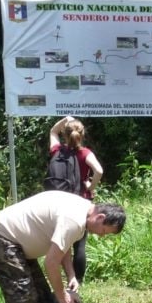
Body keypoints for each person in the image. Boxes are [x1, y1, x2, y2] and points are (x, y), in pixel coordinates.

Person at [48, 116, 104, 283]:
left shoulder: (57, 150)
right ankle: (77, 281)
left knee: (60, 243)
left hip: (57, 201)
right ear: (82, 133)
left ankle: (59, 277)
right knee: (79, 245)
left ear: (65, 134)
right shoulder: (85, 153)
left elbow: (52, 131)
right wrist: (90, 187)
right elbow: (99, 171)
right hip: (79, 200)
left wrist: (65, 119)